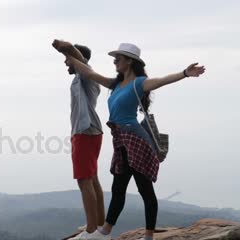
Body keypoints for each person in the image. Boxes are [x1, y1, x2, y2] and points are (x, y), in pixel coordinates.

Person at [54, 41, 205, 240]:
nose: (115, 61)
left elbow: (162, 80)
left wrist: (184, 73)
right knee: (118, 188)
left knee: (145, 190)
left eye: (119, 58)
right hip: (120, 140)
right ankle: (104, 232)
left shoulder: (139, 83)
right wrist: (67, 54)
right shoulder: (115, 83)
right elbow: (89, 72)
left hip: (136, 141)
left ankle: (148, 236)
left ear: (130, 62)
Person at [52, 40, 106, 240]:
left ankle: (92, 231)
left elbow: (80, 60)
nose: (65, 63)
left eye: (67, 59)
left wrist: (65, 47)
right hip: (89, 131)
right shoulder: (82, 78)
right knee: (92, 179)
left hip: (85, 132)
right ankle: (98, 225)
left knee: (84, 180)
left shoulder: (86, 75)